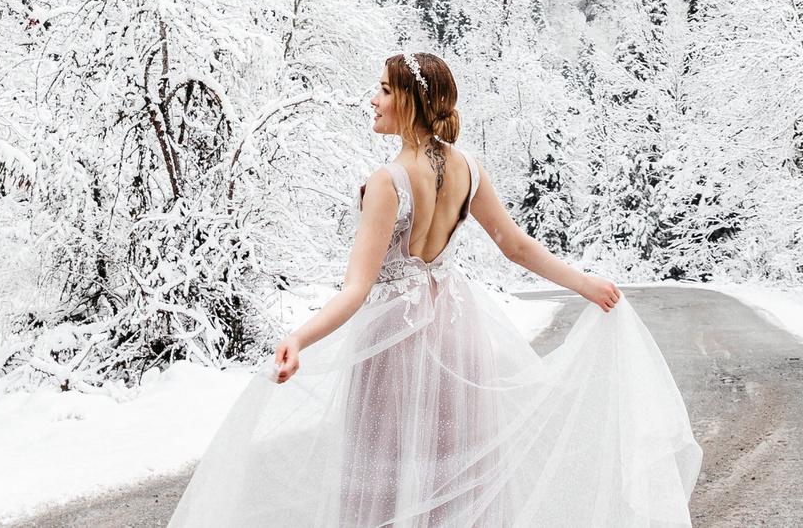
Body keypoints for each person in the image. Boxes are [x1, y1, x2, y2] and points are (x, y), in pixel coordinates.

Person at [165, 52, 701, 528]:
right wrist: (584, 283)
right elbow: (514, 246)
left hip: (395, 347)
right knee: (454, 478)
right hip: (457, 334)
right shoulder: (467, 168)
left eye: (383, 89)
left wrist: (298, 338)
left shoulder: (387, 182)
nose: (371, 98)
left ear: (411, 103)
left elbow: (356, 290)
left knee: (386, 480)